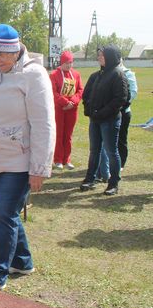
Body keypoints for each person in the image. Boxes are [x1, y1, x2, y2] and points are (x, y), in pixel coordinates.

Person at [0, 24, 55, 298]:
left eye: (4, 54)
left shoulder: (34, 75)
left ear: (17, 50)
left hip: (20, 159)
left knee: (3, 215)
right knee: (4, 212)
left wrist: (40, 167)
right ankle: (22, 262)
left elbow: (44, 124)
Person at [80, 45, 129, 195]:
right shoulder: (96, 75)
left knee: (111, 151)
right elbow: (86, 95)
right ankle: (90, 179)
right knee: (94, 150)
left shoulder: (118, 75)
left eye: (102, 55)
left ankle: (113, 183)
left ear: (110, 57)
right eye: (99, 55)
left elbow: (120, 99)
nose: (99, 58)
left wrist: (102, 113)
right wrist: (89, 109)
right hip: (95, 120)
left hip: (110, 120)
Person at [50, 51, 83, 170]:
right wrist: (64, 102)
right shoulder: (54, 75)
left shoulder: (76, 74)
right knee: (59, 134)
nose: (69, 65)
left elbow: (80, 90)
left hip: (72, 109)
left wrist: (73, 102)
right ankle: (57, 159)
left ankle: (67, 159)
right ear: (61, 63)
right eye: (66, 63)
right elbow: (53, 92)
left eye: (70, 63)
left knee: (68, 135)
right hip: (59, 109)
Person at [118, 61, 138, 168]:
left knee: (121, 138)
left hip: (124, 112)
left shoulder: (128, 73)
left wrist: (121, 106)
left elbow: (133, 92)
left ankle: (121, 163)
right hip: (111, 112)